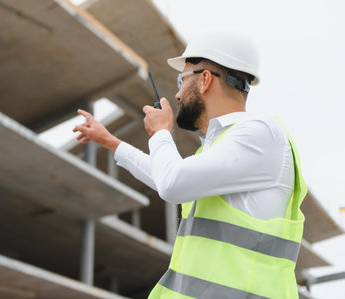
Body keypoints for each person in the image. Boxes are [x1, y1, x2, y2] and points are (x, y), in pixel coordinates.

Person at [73, 31, 307, 299]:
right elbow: (166, 176)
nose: (177, 93)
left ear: (205, 79)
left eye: (181, 80)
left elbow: (172, 184)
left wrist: (161, 132)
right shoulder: (226, 147)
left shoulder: (259, 133)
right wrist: (113, 143)